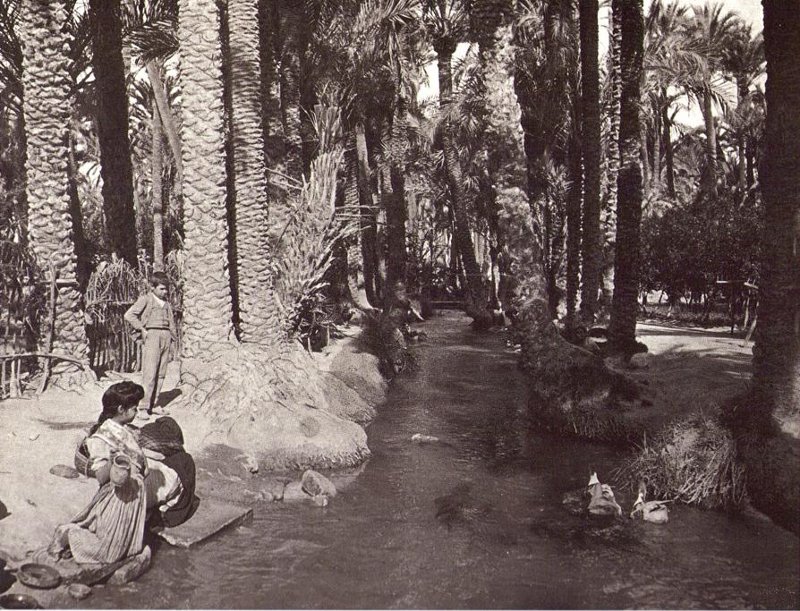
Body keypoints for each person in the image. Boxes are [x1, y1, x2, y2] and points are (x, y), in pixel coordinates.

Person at [49, 382, 184, 565]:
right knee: (109, 553)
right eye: (134, 409)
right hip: (118, 498)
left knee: (130, 548)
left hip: (132, 496)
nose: (137, 413)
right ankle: (68, 535)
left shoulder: (123, 430)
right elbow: (101, 477)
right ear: (121, 409)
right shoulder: (100, 439)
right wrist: (114, 461)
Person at [124, 271, 178, 419]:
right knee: (150, 373)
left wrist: (173, 340)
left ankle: (153, 404)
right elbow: (129, 315)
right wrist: (141, 329)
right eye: (161, 288)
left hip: (165, 336)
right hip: (152, 336)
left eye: (166, 289)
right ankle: (143, 407)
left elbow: (172, 323)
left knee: (161, 373)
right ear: (152, 287)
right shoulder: (146, 299)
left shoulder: (166, 304)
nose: (164, 291)